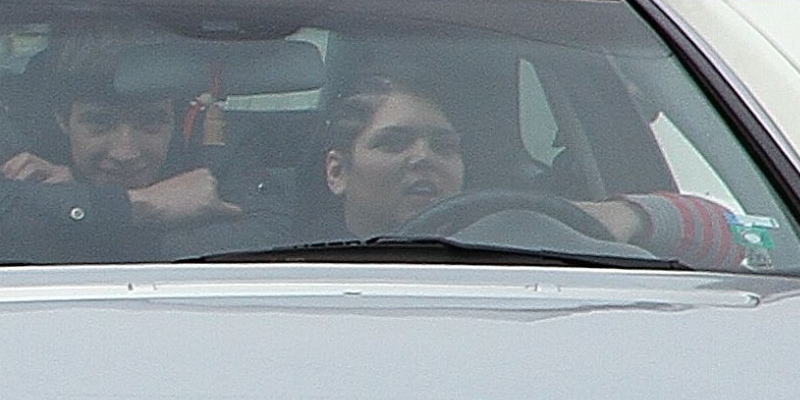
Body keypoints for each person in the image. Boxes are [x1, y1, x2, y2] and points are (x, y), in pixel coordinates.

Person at [322, 72, 759, 264]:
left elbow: (750, 239)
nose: (424, 157)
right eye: (394, 143)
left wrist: (627, 216)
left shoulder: (534, 245)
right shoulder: (273, 253)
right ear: (337, 171)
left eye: (445, 146)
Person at [0, 30, 271, 260]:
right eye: (99, 123)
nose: (124, 152)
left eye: (151, 122)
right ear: (61, 118)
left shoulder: (218, 142)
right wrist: (143, 204)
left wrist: (77, 205)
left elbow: (269, 235)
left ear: (180, 117)